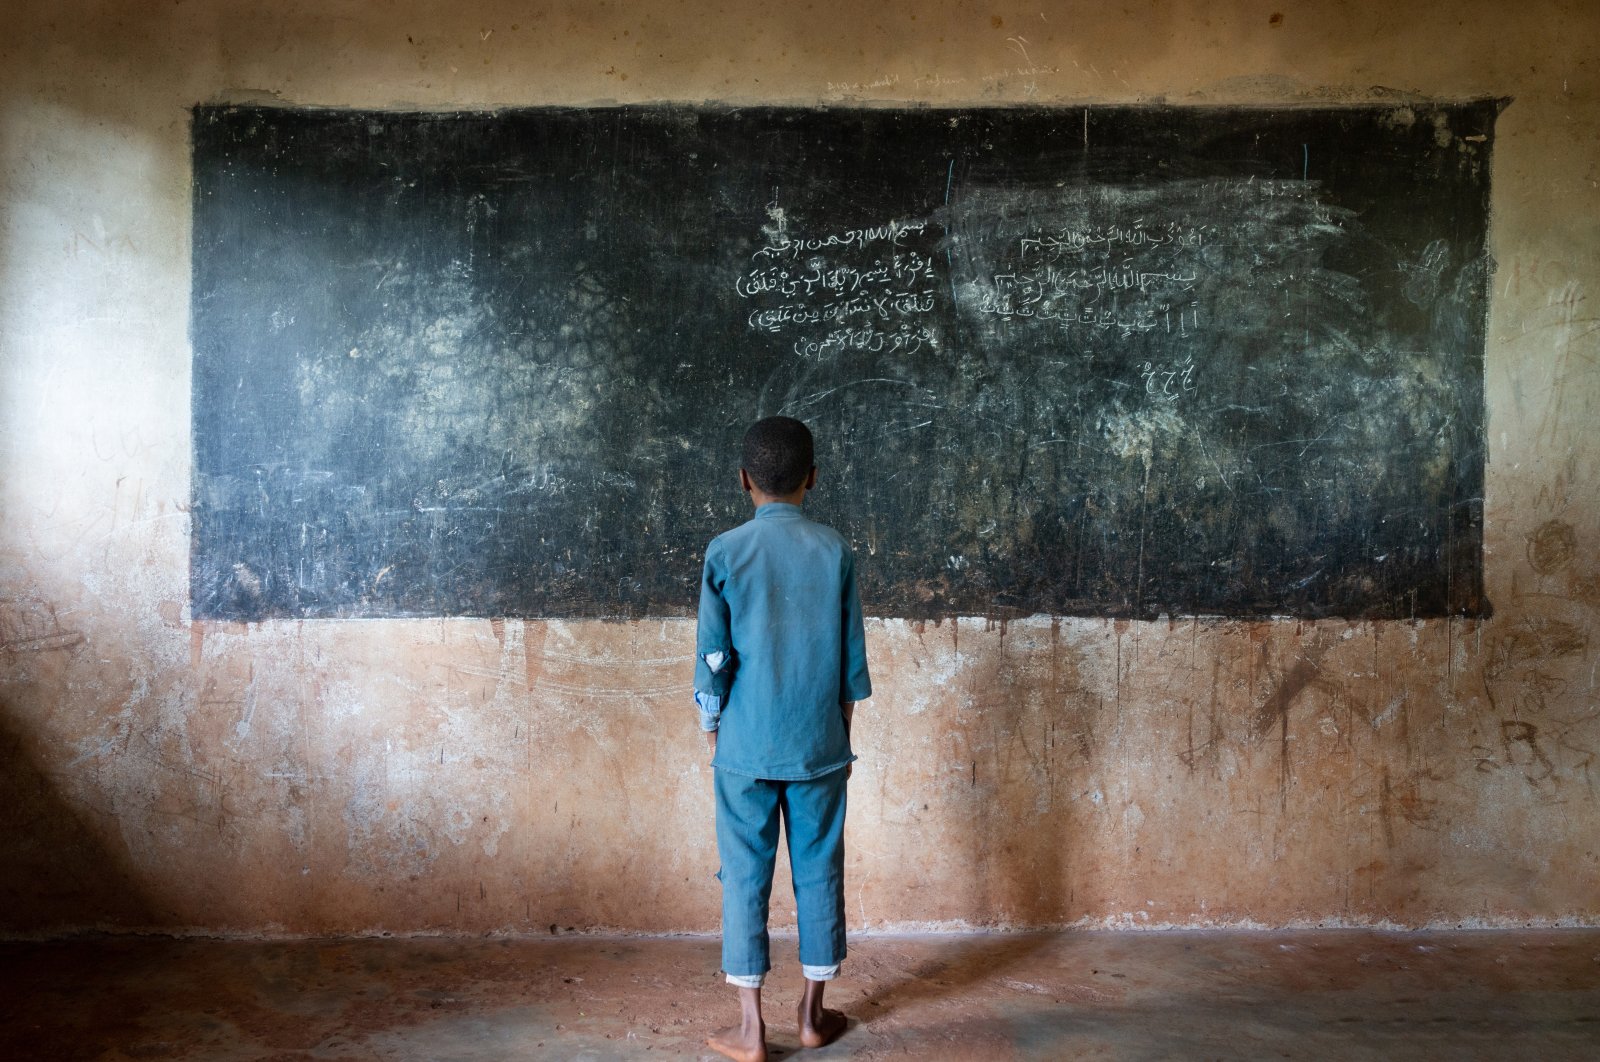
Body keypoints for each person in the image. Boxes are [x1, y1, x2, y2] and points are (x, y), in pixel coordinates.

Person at [694, 415, 872, 1062]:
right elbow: (850, 666)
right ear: (813, 479)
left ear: (743, 481)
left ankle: (749, 1030)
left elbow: (713, 658)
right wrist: (841, 738)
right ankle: (811, 1017)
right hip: (819, 744)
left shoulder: (724, 552)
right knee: (819, 869)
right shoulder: (834, 552)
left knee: (744, 876)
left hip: (744, 746)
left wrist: (714, 732)